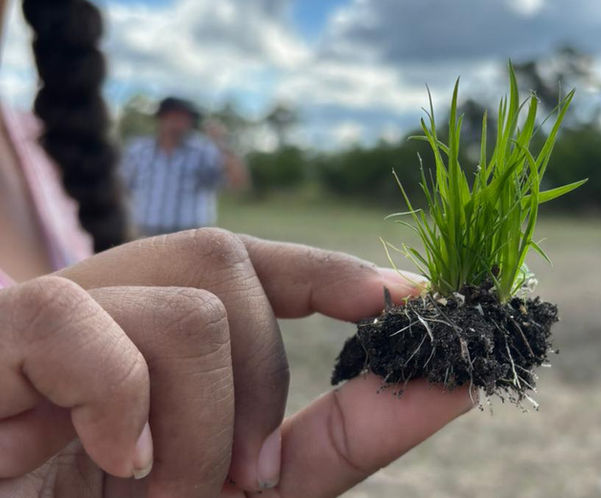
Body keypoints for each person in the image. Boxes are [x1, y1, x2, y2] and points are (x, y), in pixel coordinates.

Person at [0, 0, 471, 496]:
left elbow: (236, 181)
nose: (175, 124)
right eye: (171, 116)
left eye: (184, 117)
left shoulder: (50, 147)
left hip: (178, 248)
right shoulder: (135, 151)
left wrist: (222, 146)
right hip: (145, 242)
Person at [121, 96, 249, 237]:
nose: (179, 124)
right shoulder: (138, 150)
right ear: (161, 118)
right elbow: (122, 188)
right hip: (145, 235)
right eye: (174, 117)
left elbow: (237, 181)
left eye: (185, 119)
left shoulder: (204, 150)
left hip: (192, 238)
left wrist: (222, 142)